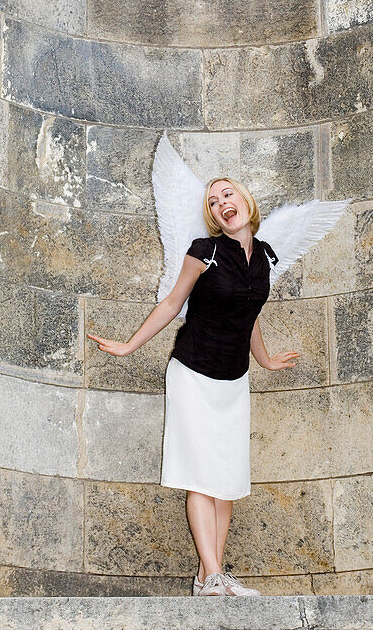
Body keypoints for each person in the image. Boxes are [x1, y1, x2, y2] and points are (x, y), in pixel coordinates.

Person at [87, 174, 300, 598]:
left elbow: (249, 312)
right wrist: (131, 345)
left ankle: (209, 576)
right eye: (213, 201)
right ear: (213, 217)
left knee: (227, 482)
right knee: (202, 478)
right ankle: (214, 573)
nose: (222, 203)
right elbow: (172, 302)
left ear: (245, 201)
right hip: (193, 372)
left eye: (228, 194)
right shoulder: (205, 253)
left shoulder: (265, 259)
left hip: (234, 380)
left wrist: (264, 358)